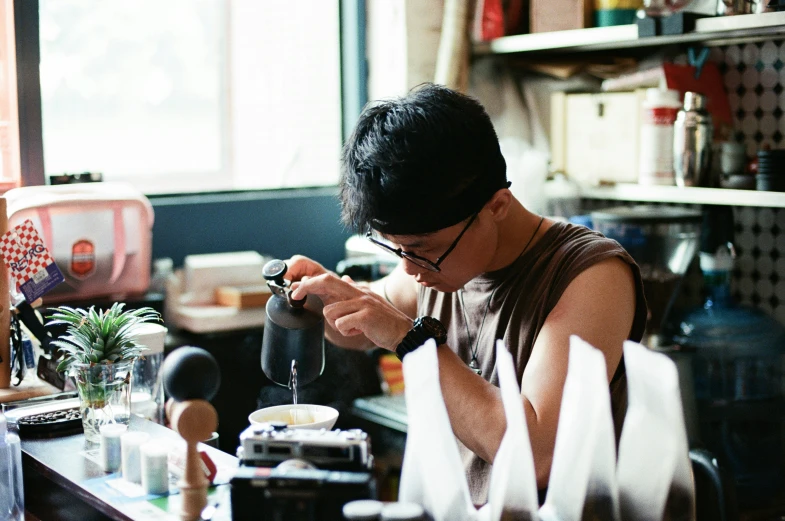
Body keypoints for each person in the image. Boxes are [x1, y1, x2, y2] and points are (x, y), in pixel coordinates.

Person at [287, 83, 647, 504]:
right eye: (397, 249)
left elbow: (533, 456)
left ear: (496, 205)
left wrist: (410, 341)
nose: (408, 268)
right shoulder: (438, 268)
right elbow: (356, 330)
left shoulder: (592, 275)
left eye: (423, 251)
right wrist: (317, 294)